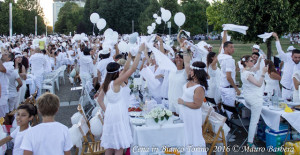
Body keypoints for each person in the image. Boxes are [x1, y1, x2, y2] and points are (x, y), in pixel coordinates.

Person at [100, 43, 145, 155]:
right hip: (118, 113)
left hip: (110, 112)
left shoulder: (106, 83)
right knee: (119, 146)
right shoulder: (116, 82)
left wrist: (129, 57)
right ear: (116, 72)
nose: (120, 71)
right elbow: (132, 69)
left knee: (110, 145)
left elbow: (99, 100)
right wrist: (139, 51)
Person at [178, 60, 208, 155]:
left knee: (193, 135)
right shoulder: (190, 80)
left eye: (192, 70)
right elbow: (186, 64)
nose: (190, 71)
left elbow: (197, 105)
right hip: (184, 113)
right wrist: (184, 49)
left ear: (197, 72)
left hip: (192, 115)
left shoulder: (199, 88)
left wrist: (183, 102)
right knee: (185, 134)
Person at [240, 55, 268, 148]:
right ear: (246, 62)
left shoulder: (245, 70)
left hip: (249, 97)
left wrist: (259, 60)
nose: (253, 62)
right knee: (254, 121)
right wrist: (263, 73)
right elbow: (259, 84)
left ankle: (254, 136)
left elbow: (256, 68)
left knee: (255, 120)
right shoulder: (248, 74)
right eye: (251, 61)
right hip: (255, 99)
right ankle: (250, 142)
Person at [273, 32, 300, 100]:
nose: (297, 59)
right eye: (295, 57)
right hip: (286, 89)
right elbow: (280, 51)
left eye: (299, 57)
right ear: (292, 56)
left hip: (296, 91)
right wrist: (277, 39)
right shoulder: (287, 58)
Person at [218, 30, 240, 110]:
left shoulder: (221, 56)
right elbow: (229, 77)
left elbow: (223, 43)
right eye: (231, 47)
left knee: (224, 109)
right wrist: (236, 89)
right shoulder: (229, 59)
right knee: (230, 111)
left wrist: (224, 31)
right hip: (228, 89)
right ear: (225, 48)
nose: (233, 49)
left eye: (233, 47)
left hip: (222, 87)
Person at [0, 51, 14, 117]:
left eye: (5, 54)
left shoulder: (10, 65)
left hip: (3, 91)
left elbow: (2, 69)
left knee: (2, 115)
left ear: (9, 58)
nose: (3, 55)